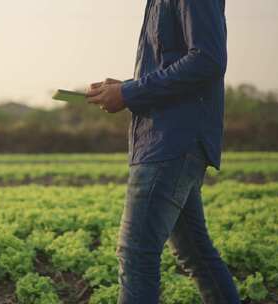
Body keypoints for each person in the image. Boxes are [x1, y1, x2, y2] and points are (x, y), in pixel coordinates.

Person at [85, 0, 240, 303]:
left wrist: (129, 92)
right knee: (195, 252)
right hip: (168, 140)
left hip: (172, 141)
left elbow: (207, 59)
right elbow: (173, 66)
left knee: (136, 253)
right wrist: (128, 88)